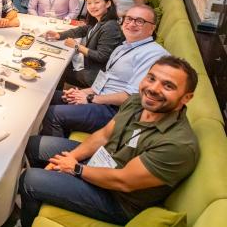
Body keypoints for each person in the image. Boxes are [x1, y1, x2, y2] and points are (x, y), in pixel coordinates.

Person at [19, 55, 199, 227]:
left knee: (29, 179)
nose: (153, 88)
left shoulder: (177, 145)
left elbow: (123, 181)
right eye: (151, 78)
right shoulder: (137, 101)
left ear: (187, 97)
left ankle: (34, 204)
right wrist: (71, 158)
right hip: (101, 162)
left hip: (116, 199)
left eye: (168, 86)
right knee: (33, 144)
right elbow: (104, 135)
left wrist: (75, 168)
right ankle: (49, 192)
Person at [41, 4, 168, 137]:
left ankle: (54, 153)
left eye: (140, 21)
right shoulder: (124, 46)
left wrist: (91, 98)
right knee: (47, 96)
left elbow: (133, 97)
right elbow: (106, 78)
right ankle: (63, 131)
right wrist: (82, 92)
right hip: (100, 97)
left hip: (115, 111)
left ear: (152, 28)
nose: (131, 24)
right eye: (128, 19)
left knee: (52, 113)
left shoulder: (154, 55)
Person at [45, 0, 124, 87]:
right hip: (89, 65)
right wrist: (59, 35)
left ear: (108, 4)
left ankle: (57, 97)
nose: (92, 6)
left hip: (95, 75)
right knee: (59, 63)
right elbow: (82, 30)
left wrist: (77, 46)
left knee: (57, 70)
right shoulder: (99, 20)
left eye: (97, 2)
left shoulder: (110, 26)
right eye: (89, 3)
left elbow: (102, 56)